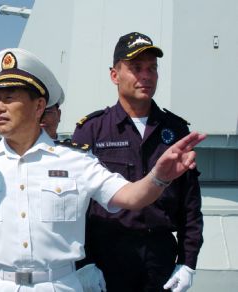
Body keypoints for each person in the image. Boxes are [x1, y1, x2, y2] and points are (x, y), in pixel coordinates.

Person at [0, 47, 205, 292]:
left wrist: (159, 177)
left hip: (58, 284)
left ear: (39, 105)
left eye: (10, 98)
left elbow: (131, 196)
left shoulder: (75, 160)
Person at [73, 32, 203, 292]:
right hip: (107, 257)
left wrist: (188, 262)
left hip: (160, 258)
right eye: (136, 68)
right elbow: (75, 204)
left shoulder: (175, 130)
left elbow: (190, 204)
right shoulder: (92, 131)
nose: (146, 76)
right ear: (114, 75)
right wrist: (83, 262)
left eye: (152, 68)